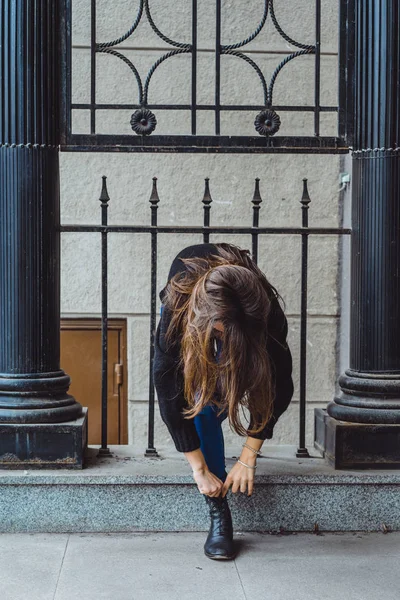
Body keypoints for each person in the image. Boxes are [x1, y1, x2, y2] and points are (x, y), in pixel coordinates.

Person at [153, 242, 294, 560]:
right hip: (193, 309)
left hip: (241, 320)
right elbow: (167, 388)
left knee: (235, 377)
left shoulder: (265, 311)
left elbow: (281, 386)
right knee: (198, 397)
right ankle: (218, 512)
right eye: (222, 332)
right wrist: (199, 470)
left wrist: (248, 457)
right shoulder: (179, 306)